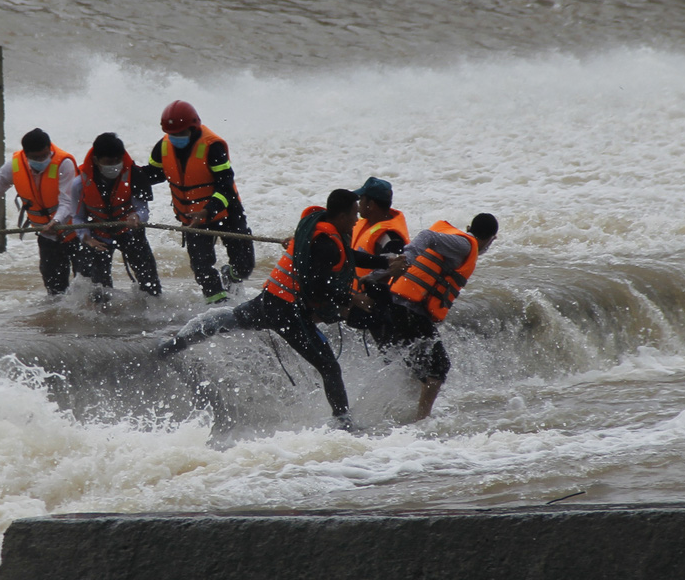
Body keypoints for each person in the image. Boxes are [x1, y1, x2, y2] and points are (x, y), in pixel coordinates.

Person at [157, 189, 363, 427]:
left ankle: (174, 344)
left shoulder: (312, 228)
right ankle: (344, 423)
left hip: (269, 299)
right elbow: (317, 288)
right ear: (340, 216)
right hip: (288, 312)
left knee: (229, 319)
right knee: (328, 366)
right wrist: (352, 298)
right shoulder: (326, 244)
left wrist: (383, 262)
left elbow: (349, 258)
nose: (356, 220)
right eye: (354, 214)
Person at [366, 212, 499, 423]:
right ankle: (421, 421)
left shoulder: (461, 244)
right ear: (491, 239)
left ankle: (395, 415)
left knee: (416, 367)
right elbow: (427, 236)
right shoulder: (465, 245)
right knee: (439, 368)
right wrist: (407, 257)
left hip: (401, 308)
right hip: (409, 310)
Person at [143, 100, 252, 302]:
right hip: (192, 218)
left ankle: (232, 276)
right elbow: (154, 173)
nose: (176, 138)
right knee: (202, 269)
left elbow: (226, 186)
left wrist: (208, 210)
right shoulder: (163, 146)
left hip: (227, 212)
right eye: (172, 134)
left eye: (181, 134)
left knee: (245, 267)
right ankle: (218, 307)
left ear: (193, 128)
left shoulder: (213, 147)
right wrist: (127, 175)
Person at [0, 127, 81, 295]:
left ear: (49, 149)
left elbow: (68, 202)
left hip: (77, 232)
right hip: (48, 237)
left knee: (90, 286)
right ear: (26, 154)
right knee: (55, 293)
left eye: (45, 155)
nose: (41, 160)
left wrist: (56, 221)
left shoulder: (64, 163)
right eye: (35, 158)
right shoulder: (15, 166)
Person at [71, 132, 161, 296]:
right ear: (97, 160)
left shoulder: (134, 175)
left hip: (130, 231)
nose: (114, 166)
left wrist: (137, 217)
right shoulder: (79, 183)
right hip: (99, 236)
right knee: (99, 291)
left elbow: (143, 210)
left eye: (117, 161)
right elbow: (78, 218)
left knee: (151, 284)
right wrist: (86, 237)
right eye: (108, 162)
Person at [344, 176, 409, 339]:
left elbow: (392, 267)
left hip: (379, 304)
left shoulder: (389, 237)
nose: (358, 206)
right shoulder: (365, 225)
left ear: (370, 205)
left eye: (361, 200)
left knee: (389, 349)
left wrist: (367, 289)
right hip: (358, 297)